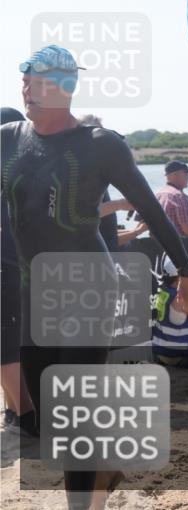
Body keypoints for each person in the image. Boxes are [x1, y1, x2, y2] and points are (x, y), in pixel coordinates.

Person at [1, 45, 188, 510]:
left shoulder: (100, 144)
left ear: (66, 87)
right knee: (51, 419)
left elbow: (150, 208)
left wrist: (186, 270)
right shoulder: (7, 139)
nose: (28, 91)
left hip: (88, 287)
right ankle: (105, 469)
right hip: (34, 292)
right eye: (25, 82)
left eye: (39, 83)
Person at [0, 107, 36, 438]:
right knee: (9, 344)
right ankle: (17, 411)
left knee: (8, 345)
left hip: (11, 265)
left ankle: (22, 413)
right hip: (16, 265)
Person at [155, 161, 188, 237]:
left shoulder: (158, 194)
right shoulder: (179, 197)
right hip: (178, 243)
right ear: (175, 175)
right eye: (186, 174)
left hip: (159, 241)